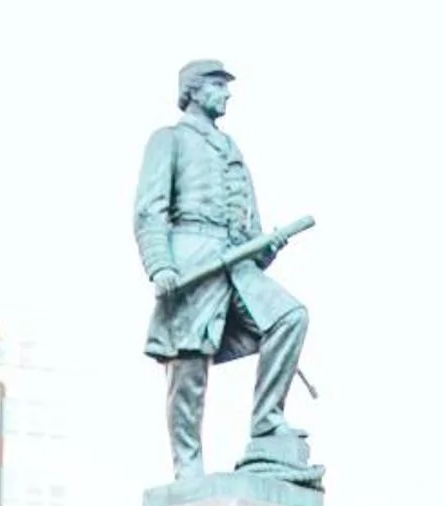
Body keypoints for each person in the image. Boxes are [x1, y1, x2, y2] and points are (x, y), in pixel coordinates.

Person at [133, 59, 313, 484]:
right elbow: (149, 210)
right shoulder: (169, 140)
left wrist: (264, 247)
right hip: (192, 256)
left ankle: (267, 423)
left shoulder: (232, 149)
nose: (227, 93)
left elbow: (247, 223)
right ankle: (188, 465)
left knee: (289, 317)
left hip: (237, 262)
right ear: (193, 90)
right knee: (189, 363)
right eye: (218, 85)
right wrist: (160, 264)